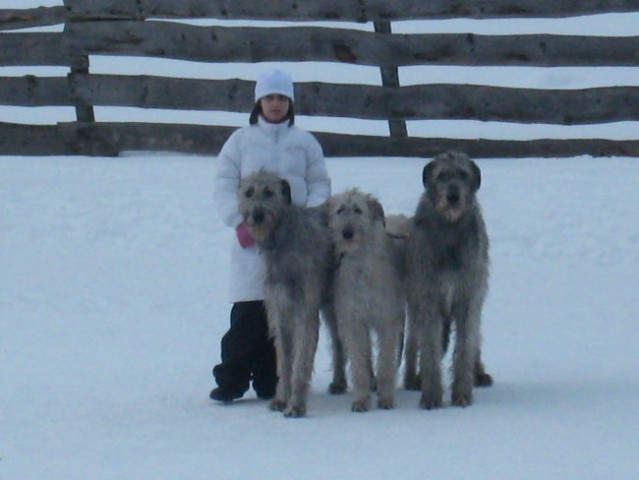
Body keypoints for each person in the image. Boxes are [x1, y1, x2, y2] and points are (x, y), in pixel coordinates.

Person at [210, 69, 331, 402]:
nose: (275, 104)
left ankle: (273, 378)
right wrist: (239, 222)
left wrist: (312, 213)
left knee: (284, 318)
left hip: (297, 241)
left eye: (281, 98)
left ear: (289, 103)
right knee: (248, 318)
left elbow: (320, 182)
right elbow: (223, 184)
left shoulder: (304, 142)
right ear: (258, 102)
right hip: (252, 244)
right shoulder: (240, 141)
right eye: (269, 98)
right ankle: (231, 380)